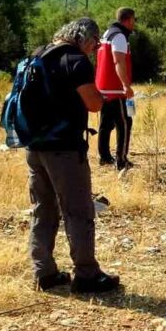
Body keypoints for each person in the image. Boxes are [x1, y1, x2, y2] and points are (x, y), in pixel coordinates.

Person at [27, 18, 120, 294]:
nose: (92, 50)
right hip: (65, 149)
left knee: (42, 210)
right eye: (93, 44)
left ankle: (44, 273)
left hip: (34, 146)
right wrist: (102, 97)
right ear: (85, 38)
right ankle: (87, 275)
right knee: (78, 211)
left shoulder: (37, 55)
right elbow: (93, 103)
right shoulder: (76, 61)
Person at [96, 7, 136, 171]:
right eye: (134, 20)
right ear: (128, 20)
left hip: (103, 87)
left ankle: (104, 157)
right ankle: (121, 160)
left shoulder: (108, 33)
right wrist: (126, 86)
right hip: (116, 88)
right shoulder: (119, 36)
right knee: (125, 122)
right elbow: (118, 62)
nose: (134, 24)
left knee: (105, 123)